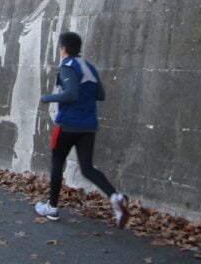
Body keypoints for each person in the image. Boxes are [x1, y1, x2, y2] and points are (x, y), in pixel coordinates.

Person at [35, 31, 130, 227]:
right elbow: (100, 94)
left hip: (68, 124)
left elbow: (70, 94)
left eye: (60, 47)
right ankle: (115, 197)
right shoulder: (89, 67)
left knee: (57, 163)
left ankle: (52, 208)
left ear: (64, 49)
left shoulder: (67, 66)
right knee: (87, 168)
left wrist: (47, 98)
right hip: (88, 126)